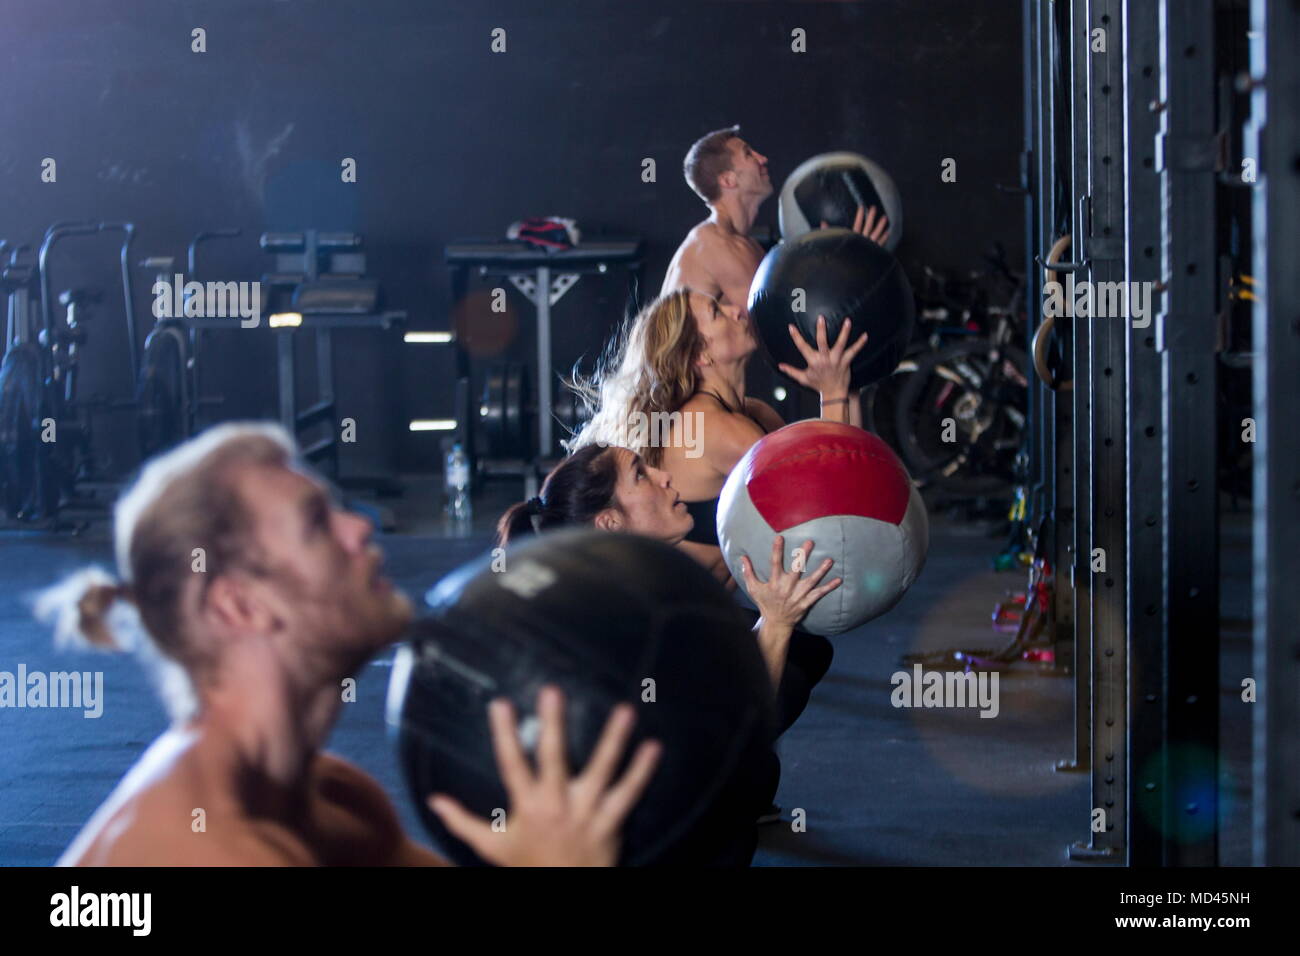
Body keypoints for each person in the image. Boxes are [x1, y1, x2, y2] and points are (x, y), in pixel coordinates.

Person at [36, 423, 660, 866]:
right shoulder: (207, 849)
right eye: (316, 523)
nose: (360, 525)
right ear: (239, 604)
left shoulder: (332, 796)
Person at [497, 443, 841, 691]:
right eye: (641, 475)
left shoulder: (640, 577)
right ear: (611, 522)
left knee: (807, 651)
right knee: (784, 682)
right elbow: (726, 714)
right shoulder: (628, 620)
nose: (664, 476)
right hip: (663, 768)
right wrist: (776, 621)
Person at [660, 125, 891, 309]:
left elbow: (793, 302)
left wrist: (828, 256)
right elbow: (780, 324)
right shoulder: (716, 247)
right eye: (749, 154)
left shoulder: (745, 245)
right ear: (728, 180)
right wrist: (851, 259)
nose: (763, 159)